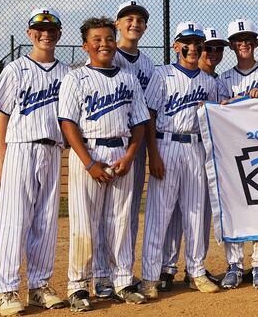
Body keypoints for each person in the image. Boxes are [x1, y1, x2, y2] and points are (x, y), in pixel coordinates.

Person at [58, 16, 150, 310]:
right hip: (90, 153)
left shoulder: (128, 78)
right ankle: (77, 286)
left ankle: (121, 280)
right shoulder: (75, 78)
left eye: (109, 38)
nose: (104, 44)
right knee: (85, 222)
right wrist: (89, 163)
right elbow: (68, 124)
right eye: (97, 40)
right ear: (85, 45)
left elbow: (138, 123)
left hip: (122, 153)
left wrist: (130, 156)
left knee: (122, 221)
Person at [0, 8, 69, 316]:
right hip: (20, 147)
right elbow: (2, 116)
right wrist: (2, 158)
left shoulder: (67, 74)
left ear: (59, 34)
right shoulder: (15, 69)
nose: (45, 33)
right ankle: (6, 290)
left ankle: (39, 286)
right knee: (14, 219)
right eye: (39, 28)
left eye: (51, 28)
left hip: (52, 149)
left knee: (46, 221)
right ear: (29, 33)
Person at [139, 22, 221, 299]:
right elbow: (148, 116)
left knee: (197, 213)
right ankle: (150, 277)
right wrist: (153, 154)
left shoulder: (209, 82)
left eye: (199, 42)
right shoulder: (161, 75)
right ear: (176, 46)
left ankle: (196, 270)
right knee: (158, 215)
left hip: (196, 148)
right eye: (187, 41)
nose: (194, 47)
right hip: (166, 143)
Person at [216, 18, 258, 290]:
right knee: (234, 208)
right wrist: (230, 104)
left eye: (249, 39)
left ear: (256, 42)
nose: (244, 44)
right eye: (239, 40)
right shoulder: (224, 79)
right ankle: (235, 265)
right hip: (232, 151)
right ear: (231, 45)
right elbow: (216, 112)